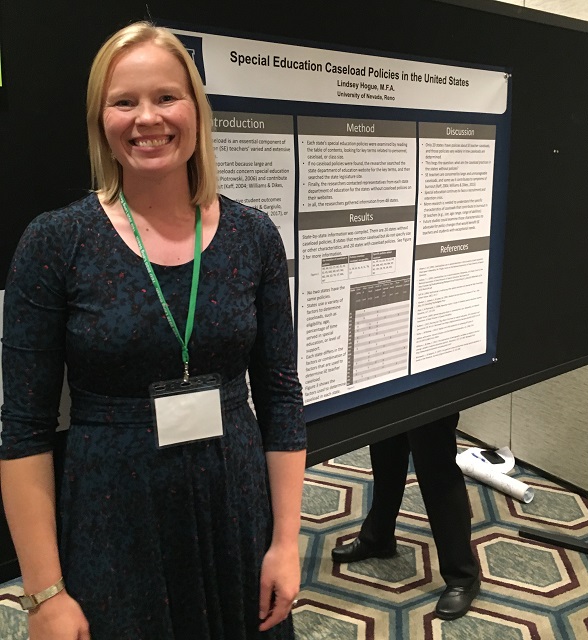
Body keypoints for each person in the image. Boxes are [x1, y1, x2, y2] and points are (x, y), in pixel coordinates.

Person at [0, 21, 306, 640]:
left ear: (196, 108)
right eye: (124, 101)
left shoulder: (255, 237)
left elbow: (281, 396)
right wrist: (44, 594)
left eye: (166, 96)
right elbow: (23, 428)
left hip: (234, 506)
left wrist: (286, 542)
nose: (147, 118)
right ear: (100, 120)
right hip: (114, 518)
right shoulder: (56, 242)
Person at [332, 412, 480, 620]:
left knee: (434, 458)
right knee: (385, 442)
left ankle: (463, 575)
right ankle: (378, 537)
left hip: (431, 383)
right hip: (386, 379)